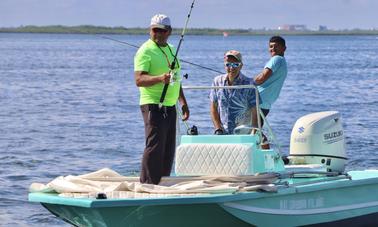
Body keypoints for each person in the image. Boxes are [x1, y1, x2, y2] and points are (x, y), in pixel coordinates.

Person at [134, 14, 190, 185]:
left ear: (169, 32)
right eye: (154, 30)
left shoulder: (172, 49)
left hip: (170, 105)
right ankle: (148, 184)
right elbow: (139, 80)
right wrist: (159, 78)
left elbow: (176, 78)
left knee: (168, 148)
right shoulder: (145, 50)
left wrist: (183, 101)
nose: (157, 34)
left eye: (161, 30)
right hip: (153, 105)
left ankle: (163, 182)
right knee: (155, 147)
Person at [210, 50, 257, 135]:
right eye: (228, 64)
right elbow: (213, 108)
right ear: (224, 65)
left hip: (243, 134)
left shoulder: (250, 84)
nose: (231, 68)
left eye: (235, 64)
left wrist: (253, 132)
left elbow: (255, 111)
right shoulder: (217, 81)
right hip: (223, 133)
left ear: (241, 66)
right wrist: (218, 128)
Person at [252, 36, 287, 127]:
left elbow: (261, 78)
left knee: (253, 129)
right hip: (265, 104)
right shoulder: (283, 62)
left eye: (276, 46)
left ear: (284, 48)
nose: (273, 49)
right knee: (255, 130)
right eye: (271, 46)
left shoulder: (277, 59)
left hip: (258, 101)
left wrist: (250, 81)